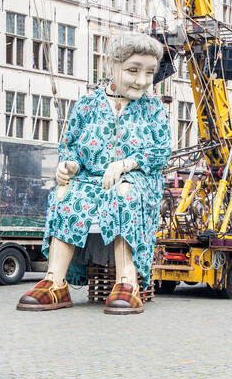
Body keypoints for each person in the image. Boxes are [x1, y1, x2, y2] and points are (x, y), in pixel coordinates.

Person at [17, 32, 171, 315]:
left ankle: (128, 281)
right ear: (111, 65)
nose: (142, 80)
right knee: (65, 194)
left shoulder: (153, 109)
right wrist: (68, 166)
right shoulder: (87, 105)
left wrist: (126, 164)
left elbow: (162, 151)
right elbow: (71, 146)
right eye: (133, 70)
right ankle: (55, 281)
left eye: (149, 72)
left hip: (137, 178)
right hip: (91, 179)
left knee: (123, 192)